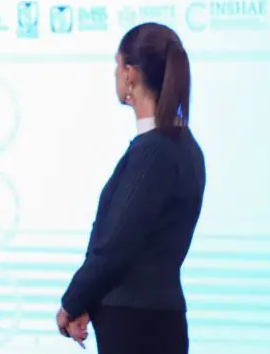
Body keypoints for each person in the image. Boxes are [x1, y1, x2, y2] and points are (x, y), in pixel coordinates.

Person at [56, 22, 206, 354]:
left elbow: (115, 245)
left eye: (116, 65)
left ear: (130, 74)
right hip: (154, 320)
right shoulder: (184, 146)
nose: (115, 75)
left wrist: (72, 302)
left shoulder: (154, 152)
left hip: (136, 327)